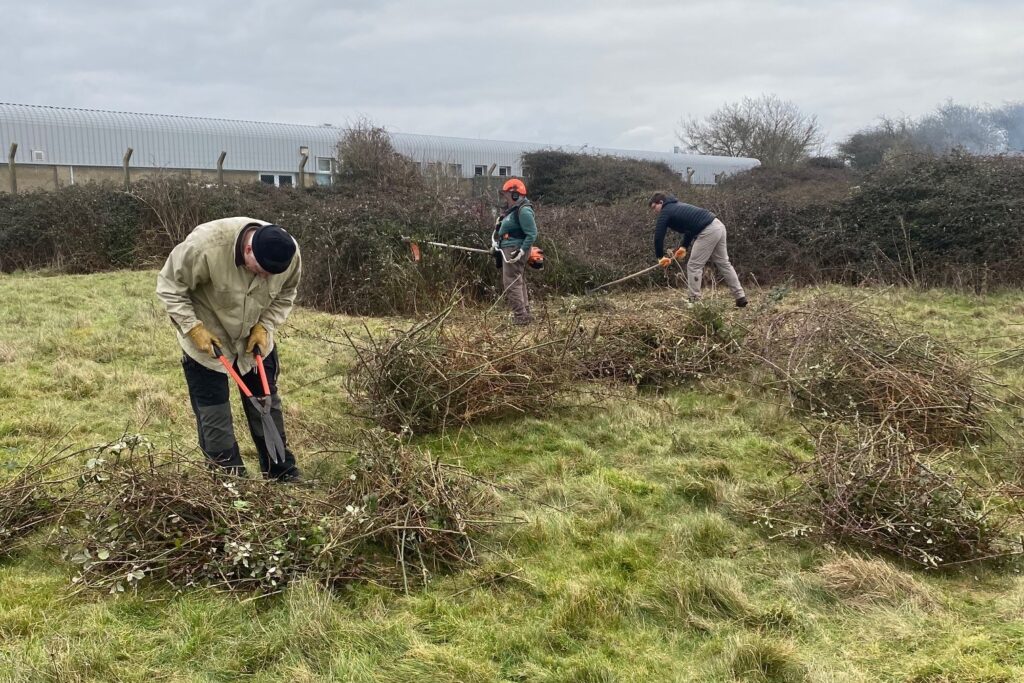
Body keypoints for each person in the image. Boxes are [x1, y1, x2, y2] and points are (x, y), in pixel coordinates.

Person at [156, 217, 302, 480]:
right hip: (208, 340)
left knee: (266, 404)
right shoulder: (204, 246)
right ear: (248, 250)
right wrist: (193, 328)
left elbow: (286, 293)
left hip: (253, 341)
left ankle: (281, 472)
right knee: (214, 416)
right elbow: (169, 286)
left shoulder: (288, 252)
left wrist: (265, 326)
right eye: (260, 271)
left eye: (271, 275)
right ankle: (229, 481)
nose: (265, 277)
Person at [649, 192, 747, 307]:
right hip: (718, 225)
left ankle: (694, 300)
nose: (654, 211)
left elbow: (658, 236)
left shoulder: (666, 211)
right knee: (724, 263)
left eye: (654, 207)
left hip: (708, 231)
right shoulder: (678, 206)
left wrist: (660, 256)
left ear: (661, 202)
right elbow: (690, 229)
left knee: (694, 265)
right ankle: (740, 296)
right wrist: (684, 247)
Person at [492, 178, 538, 324]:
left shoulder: (524, 210)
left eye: (506, 195)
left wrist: (522, 251)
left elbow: (532, 234)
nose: (505, 198)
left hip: (514, 250)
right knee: (518, 281)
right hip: (509, 247)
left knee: (511, 282)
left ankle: (520, 316)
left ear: (515, 195)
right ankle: (524, 313)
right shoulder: (513, 210)